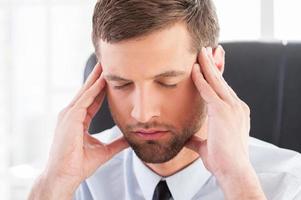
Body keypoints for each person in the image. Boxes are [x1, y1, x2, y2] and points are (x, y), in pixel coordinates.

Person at [28, 0, 301, 199]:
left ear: (214, 68)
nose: (143, 113)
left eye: (168, 82)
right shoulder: (76, 183)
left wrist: (237, 181)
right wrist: (55, 183)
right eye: (121, 83)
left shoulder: (289, 184)